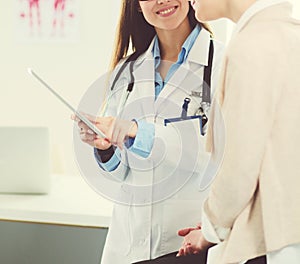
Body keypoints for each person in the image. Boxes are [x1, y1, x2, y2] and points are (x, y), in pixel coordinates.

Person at [73, 0, 224, 263]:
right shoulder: (125, 70)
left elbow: (220, 156)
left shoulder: (224, 63)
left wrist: (138, 132)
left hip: (187, 245)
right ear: (137, 5)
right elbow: (122, 172)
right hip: (128, 246)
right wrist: (106, 148)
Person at [177, 0, 300, 263]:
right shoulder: (290, 35)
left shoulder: (251, 46)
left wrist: (209, 230)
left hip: (269, 245)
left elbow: (239, 169)